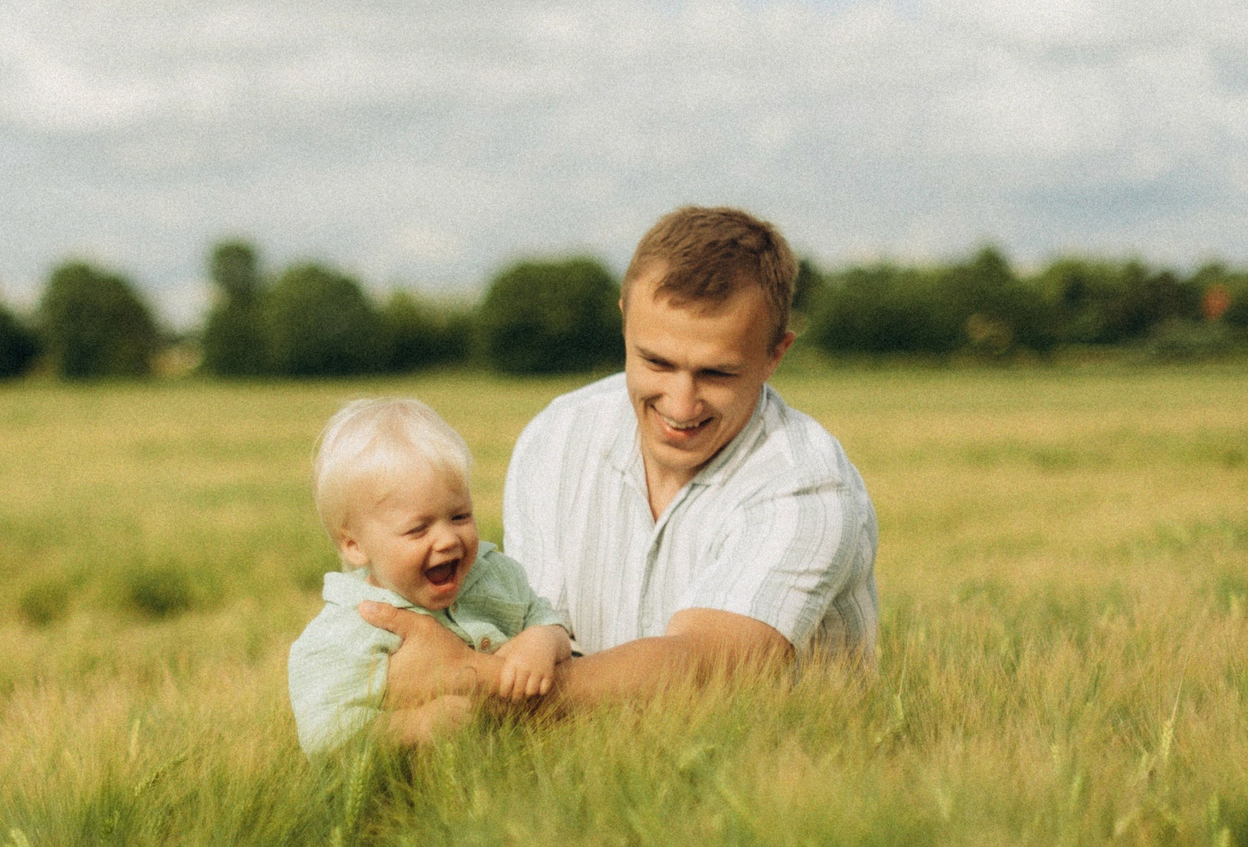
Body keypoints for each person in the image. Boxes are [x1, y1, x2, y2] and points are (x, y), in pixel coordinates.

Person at [359, 206, 876, 717]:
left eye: (717, 374)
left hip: (770, 775)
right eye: (657, 361)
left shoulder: (808, 484)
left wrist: (466, 682)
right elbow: (526, 626)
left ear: (774, 354)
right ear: (625, 316)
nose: (681, 403)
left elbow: (711, 667)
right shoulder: (555, 440)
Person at [288, 398, 571, 753]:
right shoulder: (343, 633)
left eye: (460, 516)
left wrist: (544, 640)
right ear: (355, 546)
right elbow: (323, 735)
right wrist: (413, 725)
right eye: (418, 529)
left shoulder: (496, 574)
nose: (448, 539)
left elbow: (547, 618)